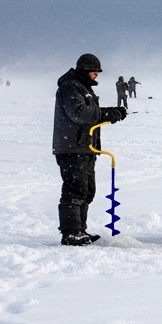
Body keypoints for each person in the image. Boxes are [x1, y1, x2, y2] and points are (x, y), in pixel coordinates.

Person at [52, 54, 127, 246]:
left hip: (86, 147)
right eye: (94, 71)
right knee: (75, 189)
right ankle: (71, 233)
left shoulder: (83, 88)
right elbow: (79, 113)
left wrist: (113, 112)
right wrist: (106, 113)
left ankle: (80, 230)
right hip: (71, 147)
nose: (96, 75)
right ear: (85, 70)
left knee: (87, 190)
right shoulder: (70, 86)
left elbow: (90, 115)